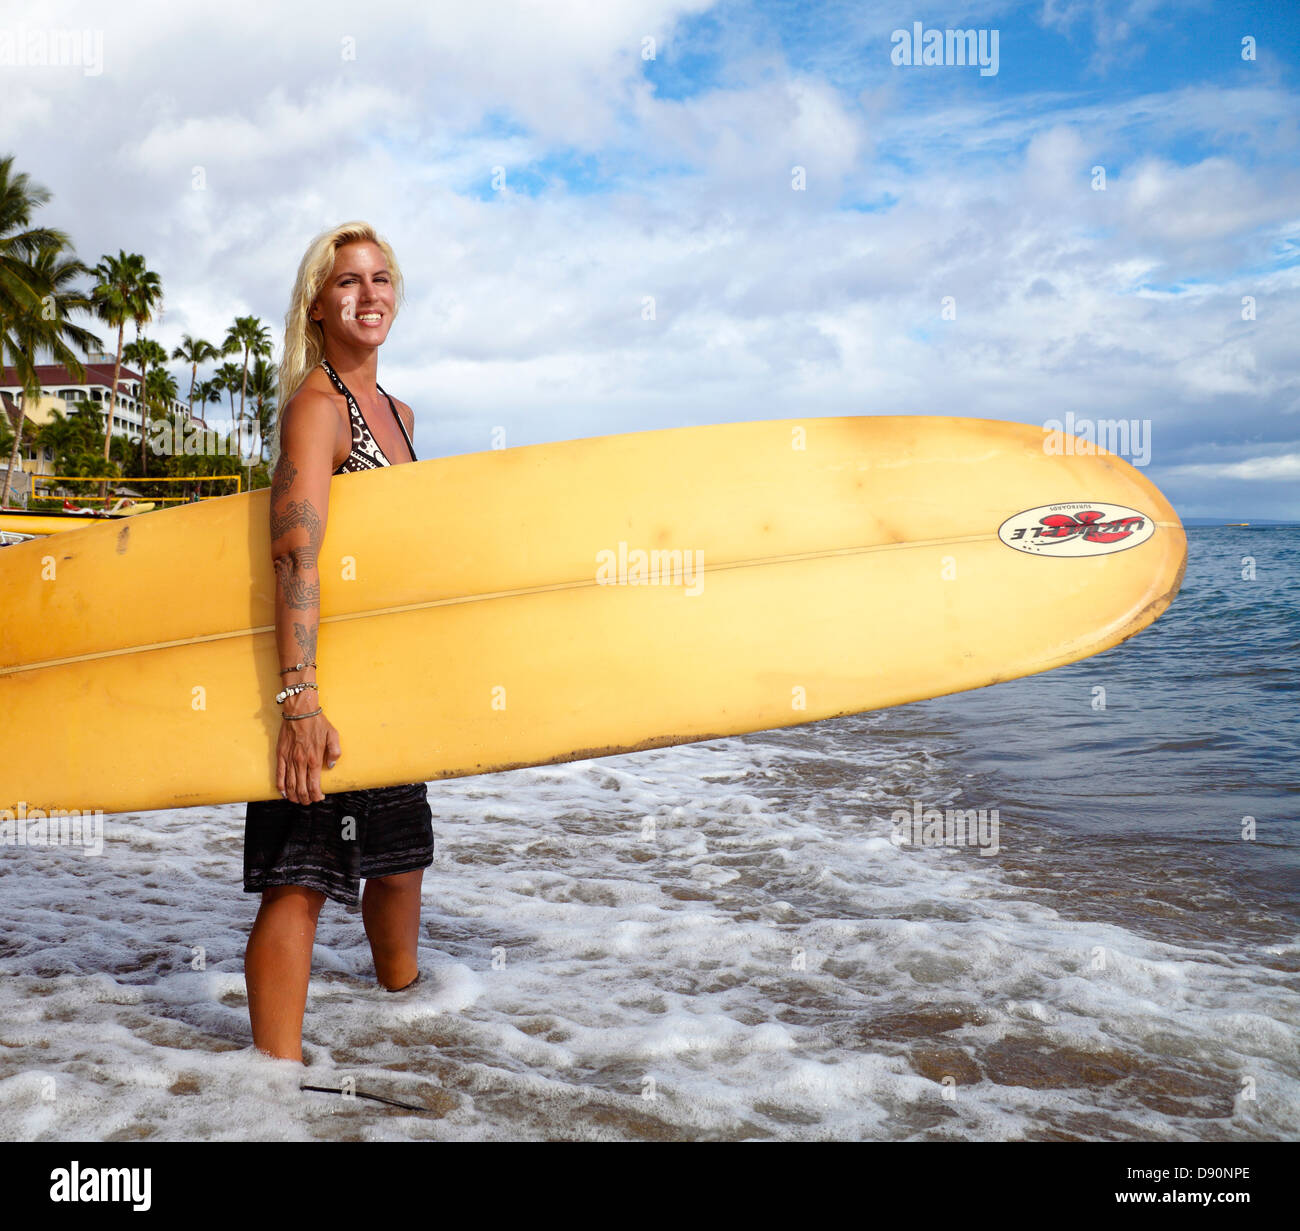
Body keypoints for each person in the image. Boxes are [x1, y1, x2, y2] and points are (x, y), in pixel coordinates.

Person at [242, 221, 434, 1063]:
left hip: (388, 674)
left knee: (398, 862)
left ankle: (411, 1028)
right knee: (304, 877)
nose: (369, 295)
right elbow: (294, 548)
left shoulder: (399, 412)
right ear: (317, 305)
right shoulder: (319, 409)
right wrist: (299, 698)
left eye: (381, 279)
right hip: (320, 676)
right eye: (348, 281)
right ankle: (269, 1090)